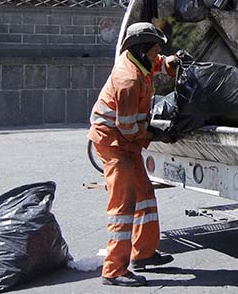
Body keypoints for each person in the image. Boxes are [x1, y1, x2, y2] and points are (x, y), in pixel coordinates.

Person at [88, 22, 178, 287]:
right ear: (142, 50)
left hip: (125, 142)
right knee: (123, 206)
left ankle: (144, 253)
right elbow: (128, 129)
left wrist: (171, 62)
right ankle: (114, 270)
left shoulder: (137, 61)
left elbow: (157, 64)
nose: (157, 55)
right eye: (154, 51)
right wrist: (155, 134)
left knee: (145, 195)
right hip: (115, 144)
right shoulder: (127, 80)